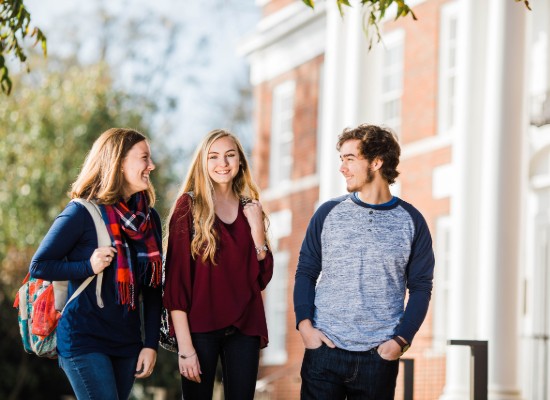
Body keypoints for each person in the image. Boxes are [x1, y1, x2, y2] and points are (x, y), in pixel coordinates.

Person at [293, 124, 435, 399]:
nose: (342, 168)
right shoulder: (327, 213)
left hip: (378, 358)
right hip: (324, 352)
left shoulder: (412, 221)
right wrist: (305, 327)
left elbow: (420, 287)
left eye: (350, 159)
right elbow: (306, 272)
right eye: (341, 159)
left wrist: (400, 341)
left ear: (376, 162)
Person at [30, 128, 163, 400]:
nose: (152, 165)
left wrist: (150, 344)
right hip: (84, 338)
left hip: (127, 343)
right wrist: (87, 266)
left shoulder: (149, 220)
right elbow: (39, 265)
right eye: (144, 158)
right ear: (119, 162)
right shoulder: (81, 212)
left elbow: (153, 287)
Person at [163, 129, 273, 400]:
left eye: (229, 155)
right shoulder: (187, 207)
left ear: (240, 162)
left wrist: (258, 231)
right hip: (200, 329)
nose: (222, 163)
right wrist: (185, 349)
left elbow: (262, 277)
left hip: (245, 326)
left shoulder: (251, 208)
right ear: (203, 162)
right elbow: (175, 284)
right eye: (213, 157)